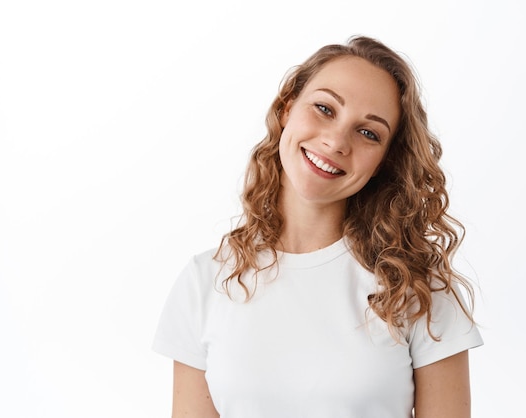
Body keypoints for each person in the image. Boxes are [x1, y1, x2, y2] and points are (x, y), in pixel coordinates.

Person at [153, 35, 483, 418]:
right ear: (286, 109)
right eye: (325, 108)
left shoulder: (418, 290)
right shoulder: (204, 282)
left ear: (385, 161)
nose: (336, 140)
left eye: (368, 132)